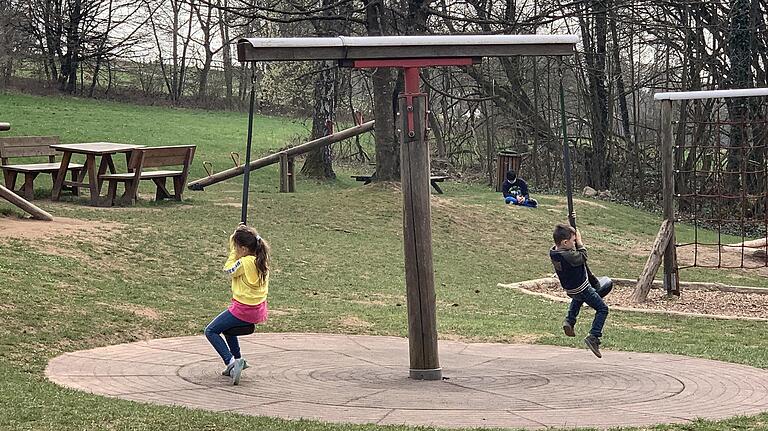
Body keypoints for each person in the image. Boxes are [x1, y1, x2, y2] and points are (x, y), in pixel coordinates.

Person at [205, 224, 270, 385]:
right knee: (228, 329)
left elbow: (228, 269)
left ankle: (231, 362)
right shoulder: (261, 261)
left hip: (243, 309)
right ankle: (238, 359)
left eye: (236, 246)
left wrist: (233, 251)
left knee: (210, 330)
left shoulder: (245, 263)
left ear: (243, 248)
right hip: (257, 309)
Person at [549, 223, 611, 358]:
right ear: (565, 242)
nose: (575, 242)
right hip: (582, 288)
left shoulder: (554, 251)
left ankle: (569, 320)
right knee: (603, 309)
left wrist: (569, 226)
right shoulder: (569, 256)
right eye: (573, 241)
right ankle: (594, 336)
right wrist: (581, 243)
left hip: (570, 289)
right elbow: (583, 256)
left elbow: (569, 247)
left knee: (578, 299)